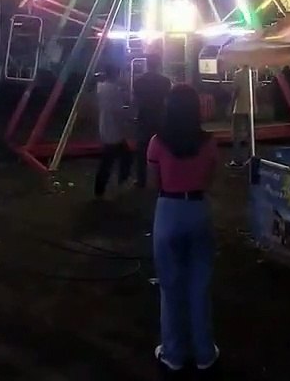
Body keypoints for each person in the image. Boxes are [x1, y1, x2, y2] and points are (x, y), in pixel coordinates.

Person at [147, 84, 220, 372]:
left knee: (170, 285)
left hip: (168, 209)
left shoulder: (157, 142)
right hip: (198, 208)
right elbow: (212, 177)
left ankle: (173, 353)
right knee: (200, 285)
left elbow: (156, 181)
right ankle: (205, 353)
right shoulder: (209, 142)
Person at [131, 54, 172, 188]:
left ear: (147, 64)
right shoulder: (165, 81)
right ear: (159, 65)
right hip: (160, 118)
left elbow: (135, 101)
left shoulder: (138, 81)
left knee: (141, 152)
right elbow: (168, 101)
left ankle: (141, 180)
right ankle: (162, 179)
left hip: (143, 118)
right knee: (162, 150)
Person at [93, 65, 132, 198]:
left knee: (116, 158)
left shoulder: (101, 87)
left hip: (105, 126)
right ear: (116, 75)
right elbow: (118, 111)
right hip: (114, 129)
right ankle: (113, 184)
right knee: (111, 160)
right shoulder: (114, 90)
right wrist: (126, 121)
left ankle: (103, 187)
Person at [226, 65, 255, 168]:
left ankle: (237, 160)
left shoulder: (238, 74)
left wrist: (231, 105)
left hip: (239, 108)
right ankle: (250, 158)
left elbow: (236, 91)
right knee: (250, 135)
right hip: (250, 108)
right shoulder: (252, 73)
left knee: (236, 135)